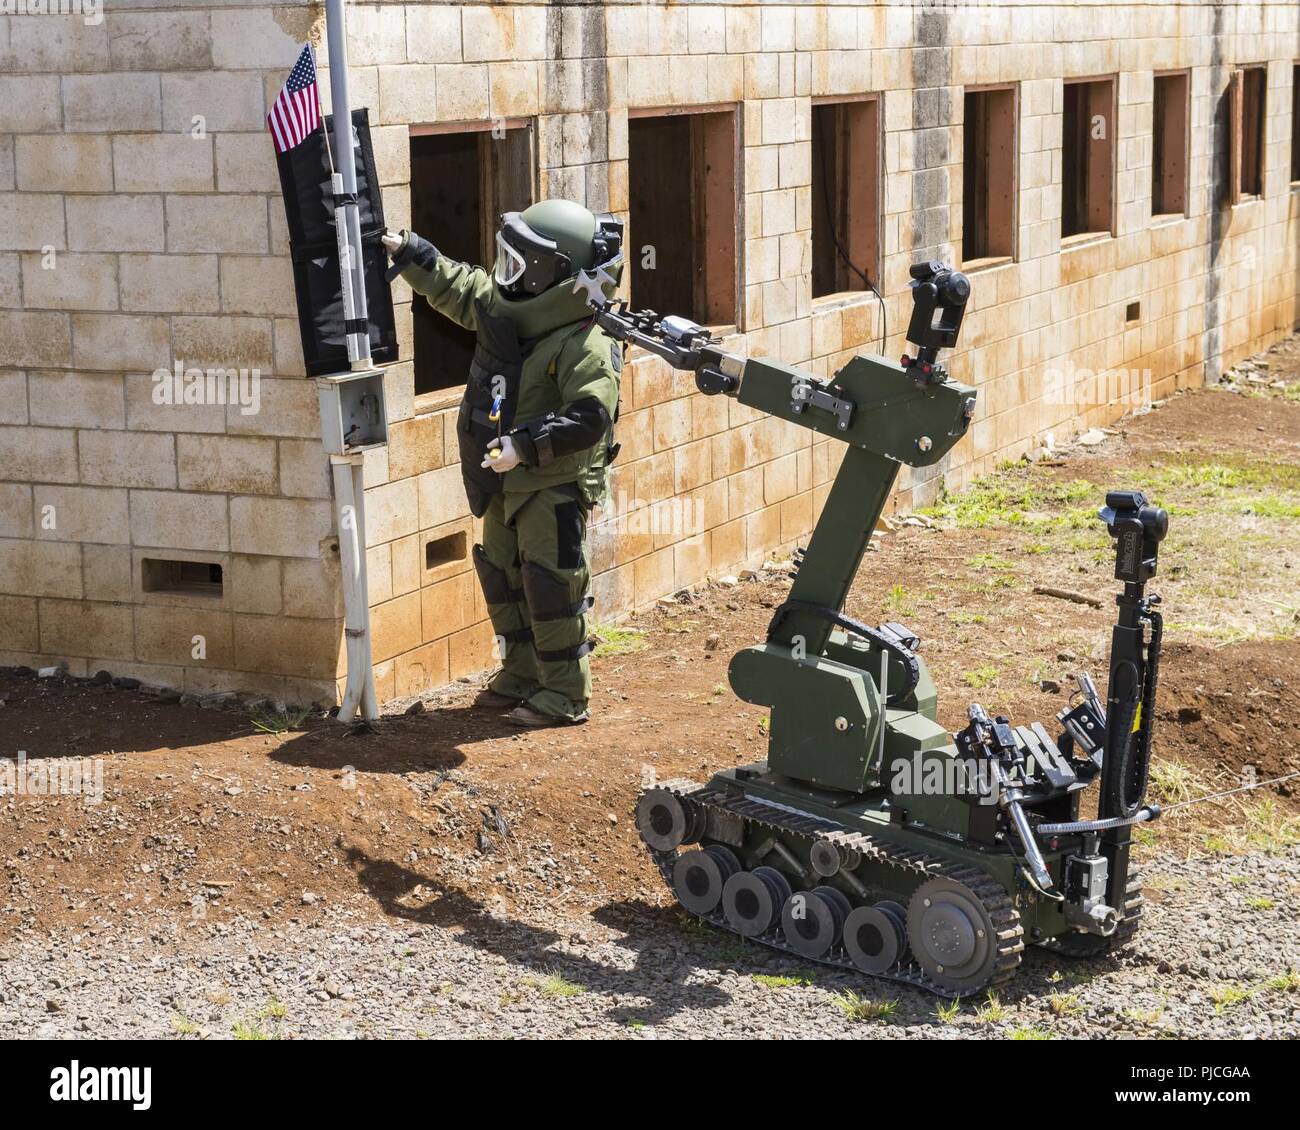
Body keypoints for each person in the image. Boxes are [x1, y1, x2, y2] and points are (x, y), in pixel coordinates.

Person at [382, 200, 624, 726]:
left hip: (552, 483)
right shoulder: (505, 310)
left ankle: (564, 693)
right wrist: (411, 252)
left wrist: (525, 444)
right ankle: (520, 671)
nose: (507, 273)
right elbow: (458, 286)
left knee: (551, 582)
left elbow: (589, 417)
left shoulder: (585, 340)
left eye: (520, 263)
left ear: (555, 275)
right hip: (503, 477)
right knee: (502, 574)